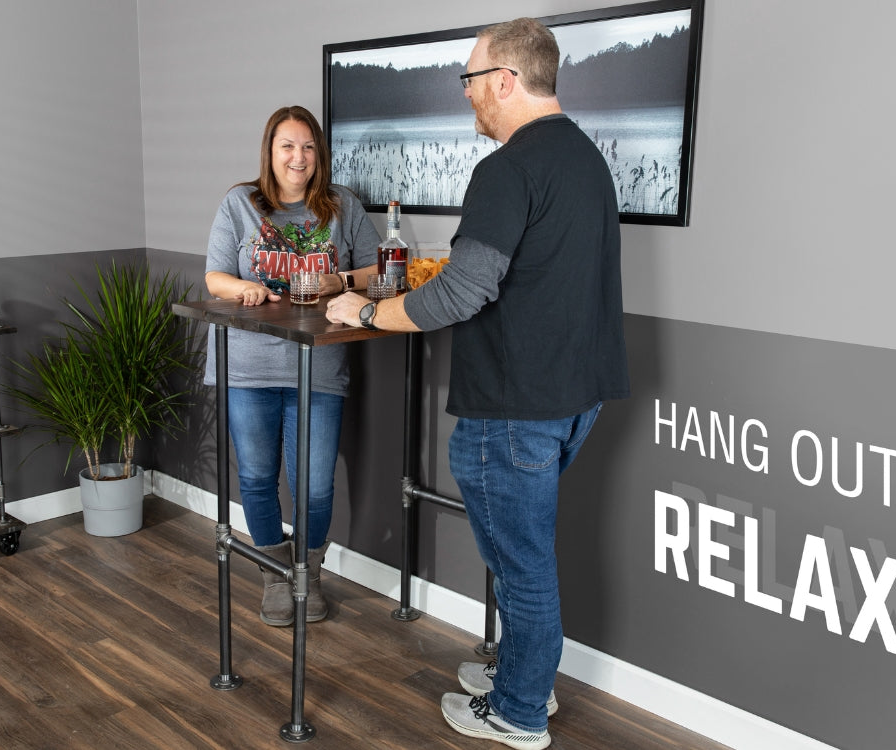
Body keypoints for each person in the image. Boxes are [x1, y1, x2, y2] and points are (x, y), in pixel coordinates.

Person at [325, 18, 629, 750]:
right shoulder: (586, 158)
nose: (466, 95)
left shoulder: (507, 169)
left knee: (521, 566)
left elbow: (464, 291)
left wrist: (365, 309)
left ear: (505, 80)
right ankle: (524, 677)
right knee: (524, 554)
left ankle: (520, 712)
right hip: (575, 395)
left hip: (515, 405)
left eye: (470, 79)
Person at [205, 105, 381, 627]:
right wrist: (245, 287)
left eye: (307, 147)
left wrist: (339, 281)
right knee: (258, 477)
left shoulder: (342, 206)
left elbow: (380, 267)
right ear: (270, 151)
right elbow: (214, 278)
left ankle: (307, 574)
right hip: (249, 366)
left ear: (318, 154)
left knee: (315, 485)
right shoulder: (240, 204)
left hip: (319, 366)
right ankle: (274, 577)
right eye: (287, 146)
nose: (298, 157)